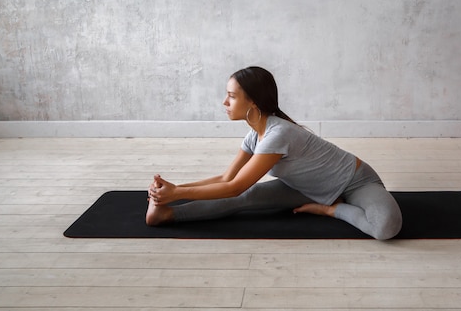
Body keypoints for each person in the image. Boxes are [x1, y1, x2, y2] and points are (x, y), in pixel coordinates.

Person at [146, 66, 403, 240]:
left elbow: (233, 186)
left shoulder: (278, 134)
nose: (224, 102)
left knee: (386, 227)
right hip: (307, 188)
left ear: (253, 103)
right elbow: (226, 179)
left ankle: (331, 209)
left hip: (354, 181)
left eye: (231, 96)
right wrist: (172, 192)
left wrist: (178, 193)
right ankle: (167, 214)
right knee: (247, 197)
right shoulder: (254, 136)